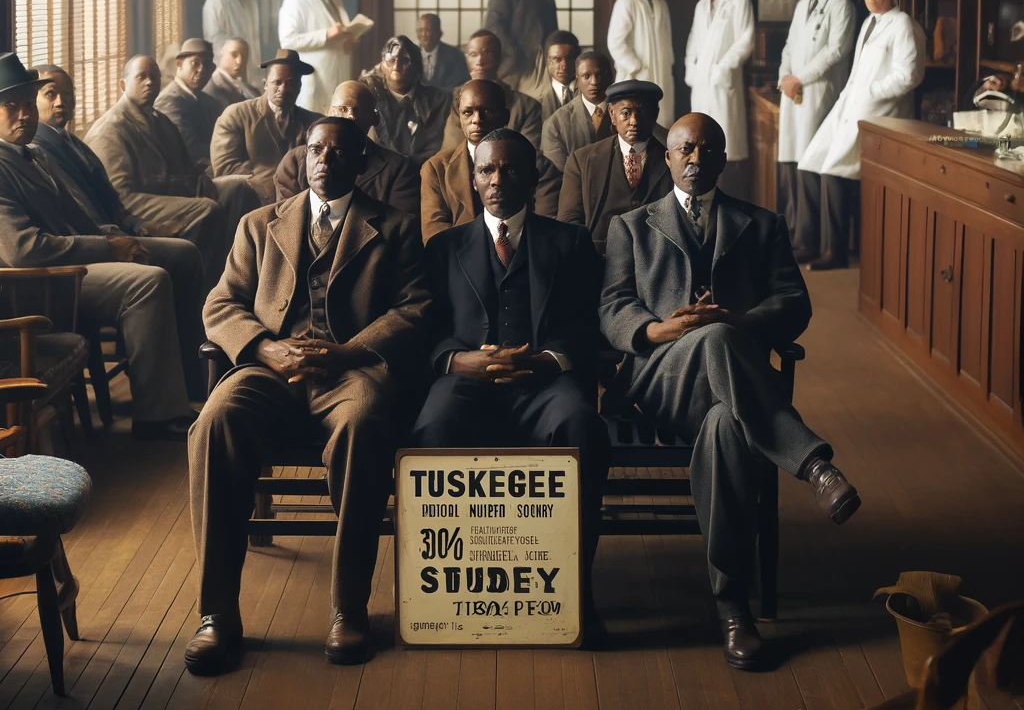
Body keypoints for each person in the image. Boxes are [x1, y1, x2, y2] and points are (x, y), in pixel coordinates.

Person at [599, 111, 861, 670]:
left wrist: (739, 325)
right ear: (666, 158)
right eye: (685, 150)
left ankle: (732, 606)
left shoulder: (760, 224)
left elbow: (794, 303)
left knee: (725, 425)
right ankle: (814, 464)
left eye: (709, 150)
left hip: (730, 391)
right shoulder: (632, 226)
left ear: (724, 158)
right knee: (712, 339)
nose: (697, 160)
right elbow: (613, 307)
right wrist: (660, 329)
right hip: (659, 383)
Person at [186, 117, 431, 674]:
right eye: (316, 150)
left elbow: (416, 308)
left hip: (349, 372)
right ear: (303, 156)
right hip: (271, 368)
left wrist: (347, 352)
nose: (324, 160)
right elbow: (220, 306)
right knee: (213, 422)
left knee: (365, 423)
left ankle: (349, 610)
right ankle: (216, 615)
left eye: (338, 153)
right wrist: (265, 349)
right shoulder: (258, 224)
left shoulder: (394, 227)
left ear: (361, 161)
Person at [410, 127, 609, 645]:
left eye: (511, 169)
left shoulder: (569, 243)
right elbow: (425, 329)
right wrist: (458, 361)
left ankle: (575, 587)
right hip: (466, 382)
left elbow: (594, 325)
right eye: (487, 170)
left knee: (580, 425)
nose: (498, 180)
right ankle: (451, 592)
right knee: (432, 429)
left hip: (545, 382)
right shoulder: (444, 247)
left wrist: (549, 360)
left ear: (534, 175)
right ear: (474, 179)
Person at [0, 53, 196, 440]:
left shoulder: (35, 154)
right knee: (148, 282)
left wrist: (123, 240)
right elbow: (24, 250)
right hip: (40, 283)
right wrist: (108, 248)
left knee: (182, 253)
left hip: (76, 263)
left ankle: (189, 384)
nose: (24, 114)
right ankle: (155, 413)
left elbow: (81, 217)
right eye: (10, 106)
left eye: (28, 105)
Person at [84, 55, 261, 294]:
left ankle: (241, 276)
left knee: (240, 188)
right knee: (207, 210)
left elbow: (188, 168)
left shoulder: (160, 119)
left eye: (154, 77)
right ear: (123, 85)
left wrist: (199, 184)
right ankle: (208, 292)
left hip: (178, 194)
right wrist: (193, 197)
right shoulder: (111, 128)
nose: (150, 82)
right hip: (135, 206)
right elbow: (120, 196)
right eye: (141, 77)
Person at [798, 0, 925, 270]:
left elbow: (909, 76)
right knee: (810, 162)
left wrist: (869, 92)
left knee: (834, 173)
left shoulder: (903, 25)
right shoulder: (870, 21)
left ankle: (835, 251)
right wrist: (851, 95)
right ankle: (812, 242)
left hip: (879, 114)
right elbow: (857, 72)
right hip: (850, 107)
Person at [777, 0, 856, 261]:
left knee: (814, 166)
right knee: (796, 167)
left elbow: (836, 51)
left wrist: (800, 78)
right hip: (794, 93)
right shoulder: (802, 6)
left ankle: (819, 243)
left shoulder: (843, 7)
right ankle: (802, 238)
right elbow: (789, 46)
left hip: (820, 93)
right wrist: (785, 76)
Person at [274, 80, 420, 217]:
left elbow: (399, 229)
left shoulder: (399, 170)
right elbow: (287, 222)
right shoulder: (294, 162)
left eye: (359, 110)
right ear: (328, 113)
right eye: (343, 109)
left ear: (375, 118)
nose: (350, 116)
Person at [558, 80, 672, 255]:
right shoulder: (582, 161)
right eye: (625, 113)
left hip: (656, 260)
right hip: (598, 262)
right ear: (612, 114)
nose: (634, 121)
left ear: (655, 114)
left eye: (642, 112)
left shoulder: (672, 161)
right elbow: (569, 223)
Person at [209, 49, 319, 205]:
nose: (283, 88)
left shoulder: (314, 123)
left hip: (301, 202)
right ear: (265, 84)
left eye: (290, 82)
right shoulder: (237, 115)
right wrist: (277, 182)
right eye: (277, 82)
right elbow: (225, 168)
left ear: (299, 87)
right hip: (249, 201)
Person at [684, 0, 755, 198]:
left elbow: (746, 40)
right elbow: (693, 40)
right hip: (701, 83)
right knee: (700, 138)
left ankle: (727, 198)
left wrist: (723, 68)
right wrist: (691, 69)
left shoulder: (738, 1)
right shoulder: (701, 5)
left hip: (724, 81)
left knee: (726, 145)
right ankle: (702, 194)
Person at [420, 79, 509, 242]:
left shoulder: (535, 163)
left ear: (505, 116)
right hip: (460, 263)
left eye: (487, 110)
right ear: (459, 116)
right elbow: (433, 235)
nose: (477, 119)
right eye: (468, 112)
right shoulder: (436, 168)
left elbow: (546, 227)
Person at [277, 0, 359, 114]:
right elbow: (288, 40)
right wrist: (325, 35)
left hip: (338, 74)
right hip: (316, 77)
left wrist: (349, 39)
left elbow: (341, 31)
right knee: (315, 128)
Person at [535, 50, 614, 217]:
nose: (594, 82)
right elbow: (557, 177)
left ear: (610, 76)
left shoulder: (626, 114)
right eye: (586, 76)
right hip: (576, 204)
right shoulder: (556, 124)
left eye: (599, 75)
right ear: (577, 79)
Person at [482, 0, 559, 100]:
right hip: (516, 63)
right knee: (511, 106)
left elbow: (553, 25)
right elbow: (492, 24)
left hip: (543, 61)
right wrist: (512, 50)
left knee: (542, 105)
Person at [441, 30, 542, 151]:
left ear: (499, 57)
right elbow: (451, 154)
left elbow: (528, 155)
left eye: (487, 53)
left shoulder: (527, 106)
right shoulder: (454, 99)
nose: (480, 62)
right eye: (473, 54)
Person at [607, 0, 675, 128]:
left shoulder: (661, 3)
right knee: (636, 125)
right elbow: (615, 41)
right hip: (635, 75)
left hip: (661, 74)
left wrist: (668, 64)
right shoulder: (626, 1)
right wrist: (636, 67)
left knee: (662, 126)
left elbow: (667, 42)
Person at [361, 36, 450, 167]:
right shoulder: (369, 97)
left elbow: (434, 148)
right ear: (382, 65)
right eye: (391, 60)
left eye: (405, 60)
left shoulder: (438, 99)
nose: (396, 66)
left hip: (424, 172)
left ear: (416, 66)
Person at [153, 38, 221, 172]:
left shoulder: (206, 100)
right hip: (185, 175)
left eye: (207, 65)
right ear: (179, 65)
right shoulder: (169, 100)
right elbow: (191, 150)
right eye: (195, 63)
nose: (201, 69)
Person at [202, 0, 262, 80]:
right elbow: (213, 39)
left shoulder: (250, 0)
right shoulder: (215, 1)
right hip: (226, 68)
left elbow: (254, 37)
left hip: (250, 66)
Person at [416, 13, 470, 92]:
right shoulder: (410, 54)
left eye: (427, 30)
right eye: (420, 30)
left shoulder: (455, 55)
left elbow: (459, 84)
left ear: (439, 33)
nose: (423, 34)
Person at [204, 37, 261, 110]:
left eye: (243, 57)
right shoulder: (212, 87)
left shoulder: (248, 88)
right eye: (234, 55)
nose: (239, 62)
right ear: (221, 53)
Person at [539, 30, 581, 122]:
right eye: (557, 59)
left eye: (569, 58)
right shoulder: (535, 97)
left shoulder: (590, 92)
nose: (564, 65)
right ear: (546, 60)